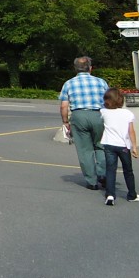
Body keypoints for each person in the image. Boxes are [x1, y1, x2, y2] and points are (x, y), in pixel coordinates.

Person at [58, 56, 108, 190]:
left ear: (75, 69)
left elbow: (64, 105)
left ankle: (92, 181)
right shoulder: (101, 82)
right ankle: (103, 173)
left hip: (79, 116)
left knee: (85, 150)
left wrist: (65, 121)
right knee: (101, 146)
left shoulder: (69, 83)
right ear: (90, 68)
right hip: (99, 115)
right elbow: (109, 101)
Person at [100, 87, 139, 206]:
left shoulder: (104, 112)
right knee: (128, 170)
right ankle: (132, 194)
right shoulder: (127, 113)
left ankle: (110, 194)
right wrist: (134, 146)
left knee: (110, 170)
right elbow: (131, 131)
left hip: (109, 144)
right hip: (123, 145)